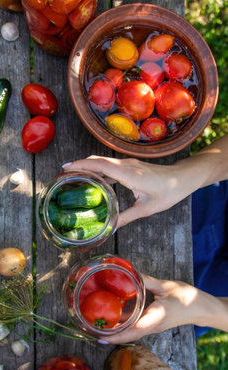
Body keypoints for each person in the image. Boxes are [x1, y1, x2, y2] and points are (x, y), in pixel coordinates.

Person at [62, 135, 228, 343]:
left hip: (217, 292)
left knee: (150, 313)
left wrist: (203, 309)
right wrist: (181, 176)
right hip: (213, 198)